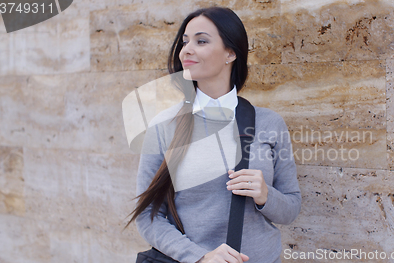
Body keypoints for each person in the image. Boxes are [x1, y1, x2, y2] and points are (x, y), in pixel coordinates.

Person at [126, 6, 301, 263]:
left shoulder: (269, 122)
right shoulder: (163, 125)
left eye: (201, 41)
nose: (187, 49)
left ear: (231, 52)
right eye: (185, 42)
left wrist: (265, 194)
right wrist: (200, 256)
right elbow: (148, 217)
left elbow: (291, 208)